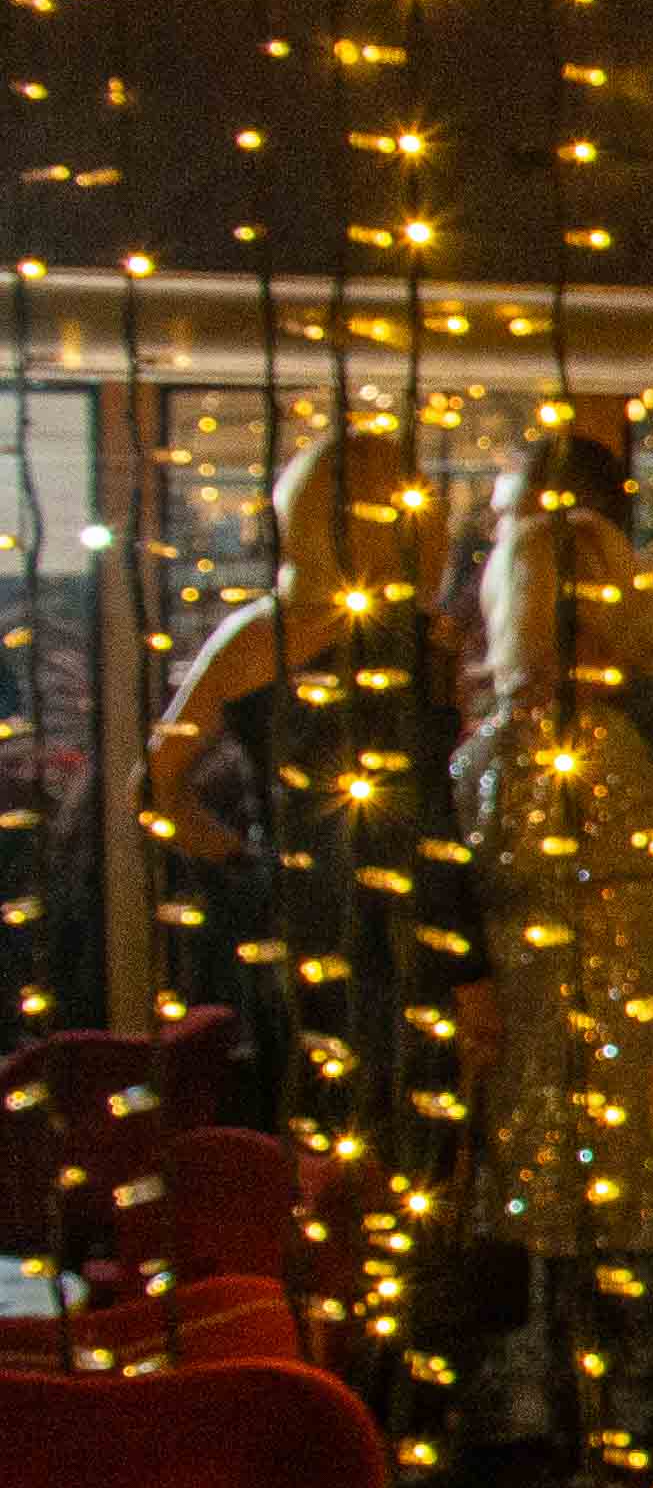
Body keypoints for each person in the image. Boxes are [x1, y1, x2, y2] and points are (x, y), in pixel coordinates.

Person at [451, 450, 653, 1466]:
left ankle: (545, 1422)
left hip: (546, 994)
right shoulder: (631, 732)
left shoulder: (531, 745)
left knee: (550, 1194)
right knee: (620, 1196)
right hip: (622, 992)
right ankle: (620, 1420)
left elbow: (497, 864)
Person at [142, 417, 455, 1131]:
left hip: (292, 917)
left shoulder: (255, 636)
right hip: (402, 924)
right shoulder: (413, 645)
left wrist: (249, 865)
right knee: (402, 1127)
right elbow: (431, 814)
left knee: (306, 1123)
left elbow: (155, 786)